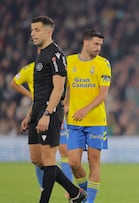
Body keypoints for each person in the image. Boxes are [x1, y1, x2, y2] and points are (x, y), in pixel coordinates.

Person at [21, 15, 86, 203]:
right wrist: (30, 114)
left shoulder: (56, 55)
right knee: (37, 159)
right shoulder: (40, 54)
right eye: (32, 30)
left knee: (49, 161)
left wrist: (47, 114)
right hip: (37, 112)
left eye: (37, 30)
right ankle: (75, 192)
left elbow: (59, 88)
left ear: (49, 31)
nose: (32, 33)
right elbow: (39, 92)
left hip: (49, 113)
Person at [65, 28, 111, 203]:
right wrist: (64, 109)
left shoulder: (103, 64)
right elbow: (68, 90)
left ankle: (89, 202)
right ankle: (81, 193)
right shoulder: (69, 62)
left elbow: (103, 95)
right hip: (74, 122)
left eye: (100, 44)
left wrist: (85, 109)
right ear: (85, 42)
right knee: (74, 163)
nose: (99, 47)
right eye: (96, 43)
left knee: (93, 162)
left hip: (96, 121)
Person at [10, 61, 73, 189]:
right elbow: (14, 83)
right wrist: (31, 96)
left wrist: (65, 106)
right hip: (39, 113)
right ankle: (43, 187)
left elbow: (68, 86)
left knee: (64, 150)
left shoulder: (57, 67)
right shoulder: (30, 69)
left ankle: (70, 190)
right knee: (40, 157)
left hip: (56, 113)